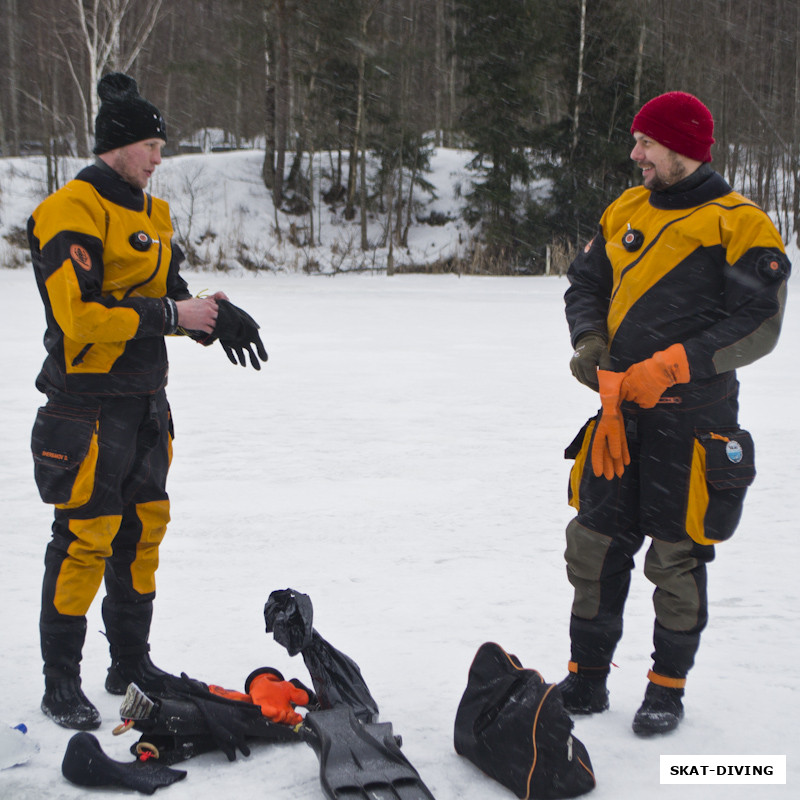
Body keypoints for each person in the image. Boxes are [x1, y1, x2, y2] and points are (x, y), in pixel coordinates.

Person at [28, 72, 267, 730]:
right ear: (119, 146)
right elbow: (81, 320)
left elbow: (173, 294)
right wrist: (173, 312)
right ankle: (61, 681)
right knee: (84, 540)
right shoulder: (68, 212)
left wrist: (216, 318)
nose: (161, 159)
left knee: (142, 537)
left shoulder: (154, 215)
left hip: (146, 407)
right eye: (153, 147)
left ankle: (130, 664)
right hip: (85, 408)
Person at [558, 91, 790, 735]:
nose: (635, 155)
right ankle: (587, 676)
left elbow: (762, 321)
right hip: (617, 419)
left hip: (693, 421)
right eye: (637, 142)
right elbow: (586, 284)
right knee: (594, 546)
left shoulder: (738, 222)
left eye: (647, 144)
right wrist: (589, 343)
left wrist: (678, 364)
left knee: (676, 557)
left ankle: (666, 688)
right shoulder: (626, 209)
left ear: (683, 146)